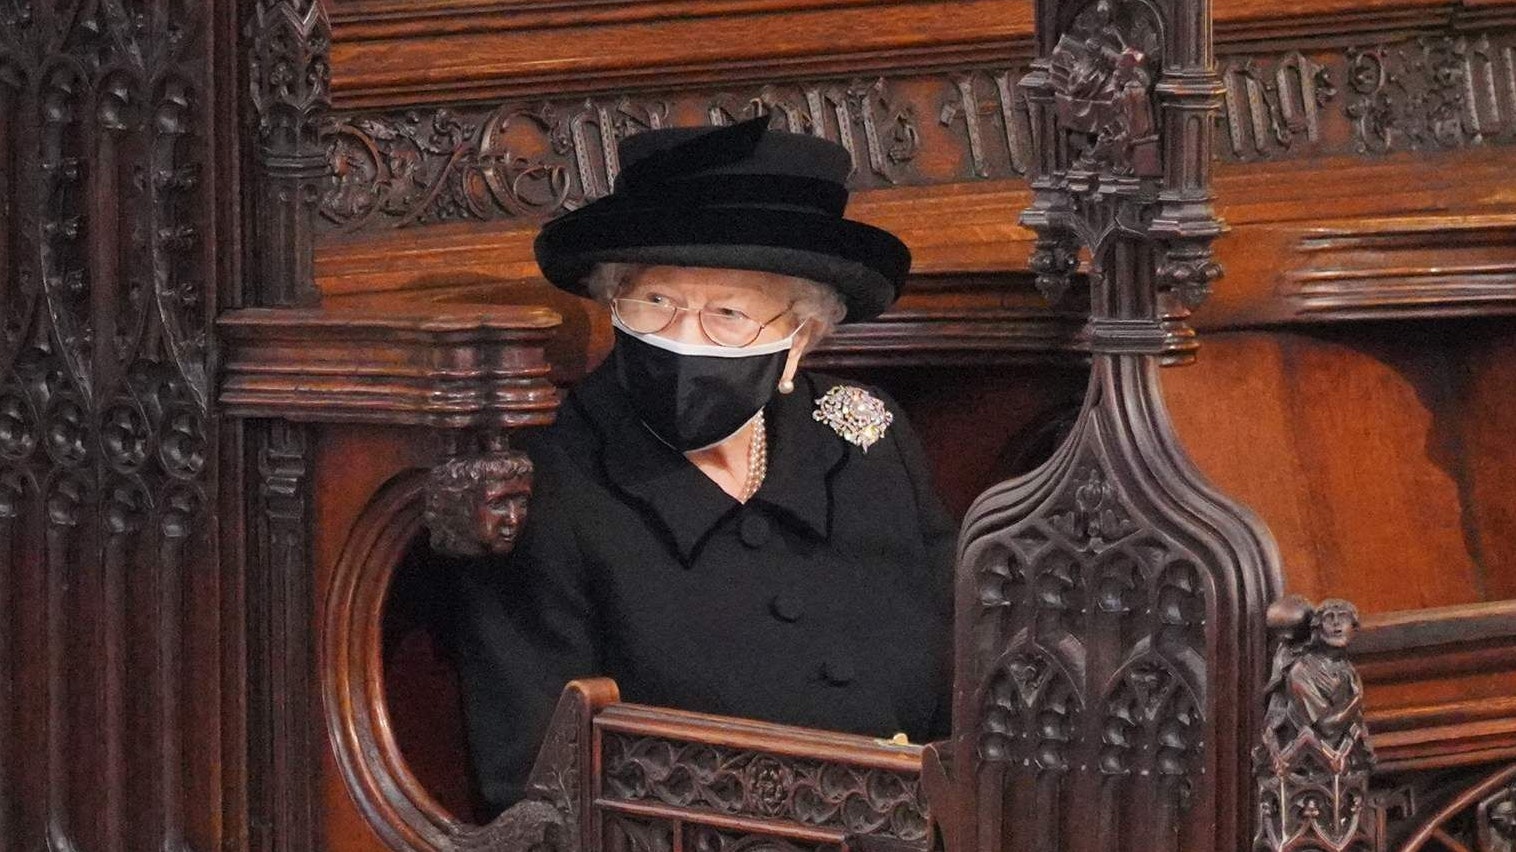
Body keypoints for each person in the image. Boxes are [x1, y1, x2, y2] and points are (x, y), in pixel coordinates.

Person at [446, 115, 956, 814]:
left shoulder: (867, 439)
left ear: (799, 342)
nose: (684, 341)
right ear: (613, 304)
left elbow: (969, 685)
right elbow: (537, 791)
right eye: (656, 303)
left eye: (728, 314)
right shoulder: (550, 480)